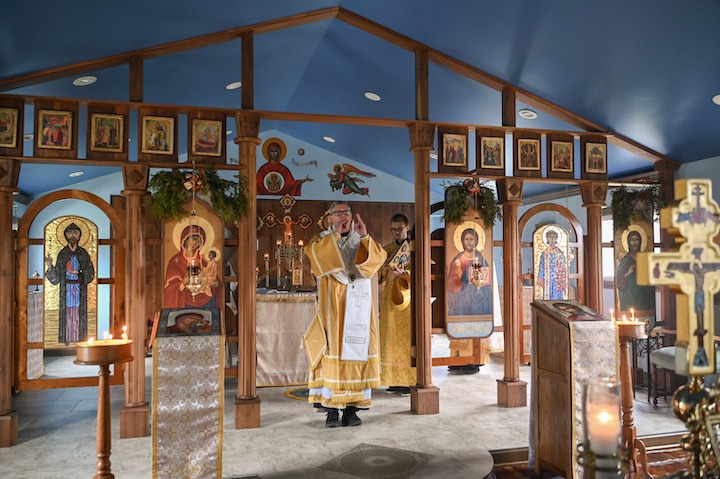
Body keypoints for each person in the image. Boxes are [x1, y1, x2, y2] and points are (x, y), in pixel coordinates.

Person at [304, 201, 387, 427]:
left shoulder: (362, 239)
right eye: (338, 213)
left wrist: (365, 236)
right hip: (334, 312)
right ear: (329, 218)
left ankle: (352, 410)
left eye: (347, 212)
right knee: (334, 352)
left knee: (358, 353)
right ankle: (332, 410)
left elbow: (378, 259)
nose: (344, 216)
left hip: (360, 309)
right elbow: (315, 256)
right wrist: (337, 238)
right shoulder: (320, 241)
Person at [379, 213, 415, 397]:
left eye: (399, 229)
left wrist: (405, 274)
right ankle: (393, 379)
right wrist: (383, 269)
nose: (396, 233)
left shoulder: (414, 249)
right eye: (393, 230)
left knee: (406, 340)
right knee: (390, 338)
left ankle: (408, 381)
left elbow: (420, 275)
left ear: (407, 228)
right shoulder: (386, 250)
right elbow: (378, 277)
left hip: (407, 301)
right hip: (389, 302)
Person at [45, 222, 95, 344]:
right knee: (67, 312)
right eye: (70, 233)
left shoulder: (83, 253)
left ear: (79, 236)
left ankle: (80, 338)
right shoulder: (63, 254)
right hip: (66, 288)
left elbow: (90, 273)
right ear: (65, 235)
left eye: (75, 233)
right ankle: (67, 338)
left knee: (78, 312)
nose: (72, 236)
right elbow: (56, 277)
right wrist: (50, 266)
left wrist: (78, 273)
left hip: (79, 288)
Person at [164, 225, 221, 309]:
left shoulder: (203, 262)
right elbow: (169, 288)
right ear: (185, 239)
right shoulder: (175, 261)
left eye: (199, 241)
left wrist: (208, 281)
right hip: (184, 302)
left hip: (205, 302)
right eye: (193, 239)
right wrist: (183, 283)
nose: (195, 243)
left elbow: (216, 284)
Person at [447, 227, 492, 316]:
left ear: (476, 241)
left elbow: (486, 284)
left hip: (477, 298)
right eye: (466, 239)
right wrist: (458, 277)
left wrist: (477, 279)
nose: (468, 242)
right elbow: (451, 283)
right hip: (462, 297)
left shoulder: (481, 259)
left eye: (471, 239)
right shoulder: (458, 260)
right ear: (463, 242)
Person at [616, 230, 655, 311]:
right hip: (630, 294)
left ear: (640, 242)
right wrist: (627, 273)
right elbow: (619, 279)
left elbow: (651, 276)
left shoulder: (644, 259)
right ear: (629, 242)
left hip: (643, 293)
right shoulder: (626, 260)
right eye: (632, 240)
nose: (634, 243)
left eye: (636, 240)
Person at [536, 228, 568, 300]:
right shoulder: (544, 253)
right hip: (547, 279)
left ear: (556, 239)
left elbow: (563, 267)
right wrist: (540, 278)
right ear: (547, 239)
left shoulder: (560, 253)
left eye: (554, 237)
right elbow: (541, 267)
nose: (552, 239)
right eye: (550, 237)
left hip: (557, 280)